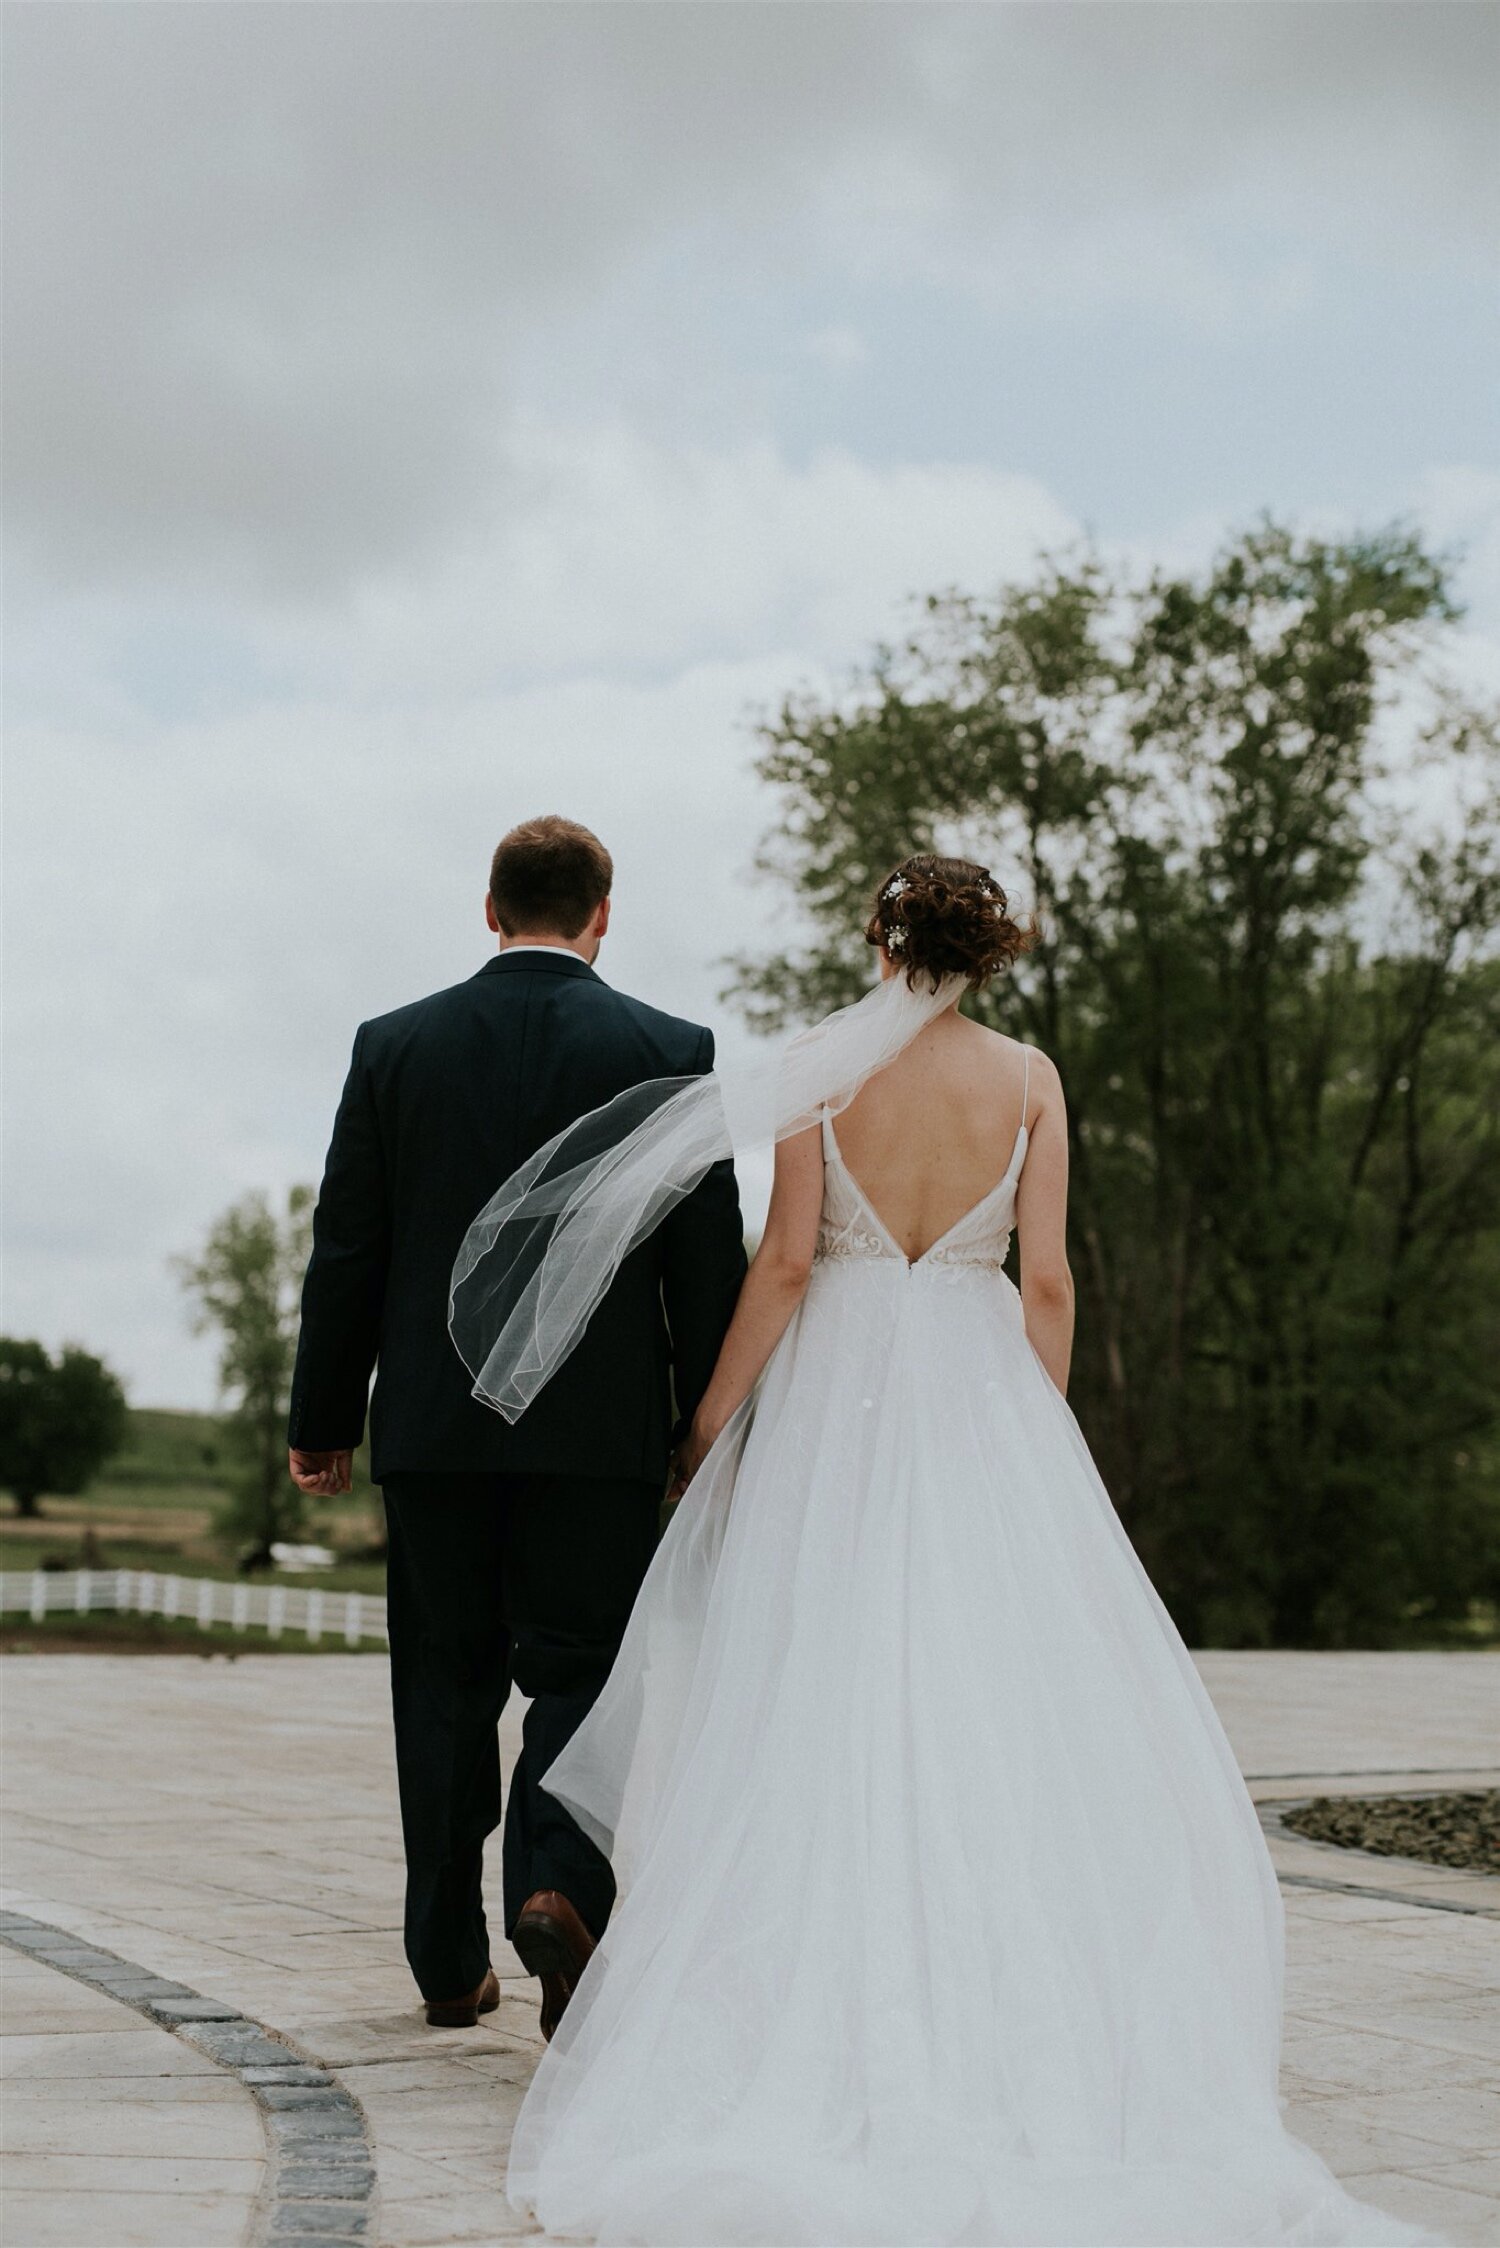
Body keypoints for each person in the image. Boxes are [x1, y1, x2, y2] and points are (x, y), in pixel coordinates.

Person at [476, 855, 1430, 2246]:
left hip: (837, 1400)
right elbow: (1046, 1278)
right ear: (995, 952)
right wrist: (1030, 1437)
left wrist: (707, 1426)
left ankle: (799, 1997)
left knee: (815, 1693)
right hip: (977, 1390)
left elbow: (789, 1262)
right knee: (992, 1705)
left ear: (880, 937)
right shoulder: (1031, 1080)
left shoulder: (817, 1069)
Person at [286, 815, 745, 2039]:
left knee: (439, 1682)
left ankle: (445, 1961)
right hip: (597, 1442)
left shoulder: (394, 1048)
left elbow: (349, 1248)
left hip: (433, 1434)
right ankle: (555, 1889)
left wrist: (323, 1415)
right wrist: (706, 1428)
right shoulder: (670, 1049)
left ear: (489, 910)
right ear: (604, 915)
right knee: (582, 1678)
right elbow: (707, 1270)